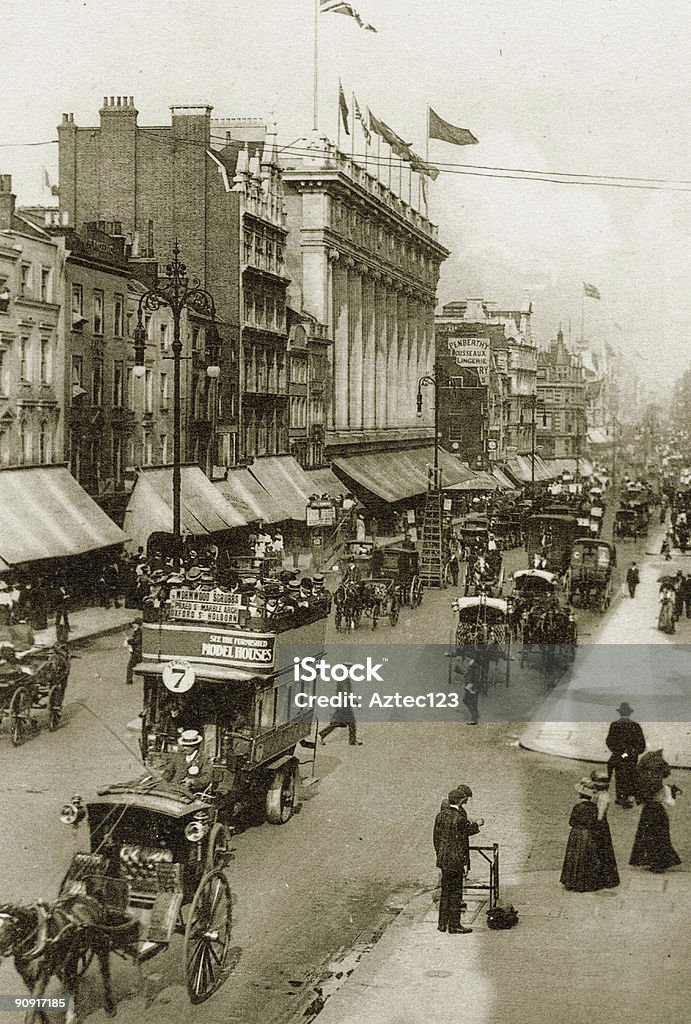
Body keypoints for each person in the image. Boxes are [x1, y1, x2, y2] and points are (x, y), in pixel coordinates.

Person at [433, 785, 482, 934]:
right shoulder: (459, 818)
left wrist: (440, 855)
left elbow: (436, 839)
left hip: (443, 859)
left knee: (445, 891)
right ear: (460, 801)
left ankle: (442, 924)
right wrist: (478, 824)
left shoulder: (440, 816)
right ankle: (454, 925)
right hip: (456, 861)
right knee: (455, 893)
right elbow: (465, 836)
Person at [560, 776, 619, 892]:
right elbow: (597, 820)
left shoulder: (577, 806)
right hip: (588, 835)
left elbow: (572, 821)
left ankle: (572, 880)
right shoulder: (593, 807)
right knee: (587, 857)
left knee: (574, 857)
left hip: (576, 834)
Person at [630, 750, 682, 874]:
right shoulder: (662, 787)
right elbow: (670, 803)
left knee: (648, 836)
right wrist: (672, 792)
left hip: (647, 812)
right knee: (661, 837)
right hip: (659, 813)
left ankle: (652, 861)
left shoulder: (644, 784)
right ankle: (660, 863)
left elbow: (640, 799)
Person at [605, 702, 646, 808]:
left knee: (619, 776)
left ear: (620, 713)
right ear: (629, 713)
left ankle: (620, 798)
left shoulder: (614, 725)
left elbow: (609, 742)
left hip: (619, 756)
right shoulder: (636, 726)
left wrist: (619, 752)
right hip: (631, 757)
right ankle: (627, 797)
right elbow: (642, 745)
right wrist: (631, 752)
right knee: (630, 776)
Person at [159, 729, 214, 794]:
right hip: (174, 789)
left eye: (188, 746)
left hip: (192, 793)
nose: (184, 748)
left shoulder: (204, 758)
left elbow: (207, 778)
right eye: (183, 745)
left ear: (196, 746)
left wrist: (193, 782)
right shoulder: (178, 756)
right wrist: (162, 779)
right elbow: (168, 771)